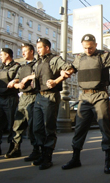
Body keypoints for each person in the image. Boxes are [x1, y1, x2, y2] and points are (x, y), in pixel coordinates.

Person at [61, 34, 110, 174]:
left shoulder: (104, 56)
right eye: (85, 48)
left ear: (95, 45)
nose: (88, 50)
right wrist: (64, 73)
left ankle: (108, 161)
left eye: (90, 47)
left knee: (105, 128)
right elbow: (71, 69)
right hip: (84, 96)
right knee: (79, 128)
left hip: (100, 95)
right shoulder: (79, 57)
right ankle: (75, 158)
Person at [32, 38, 73, 170]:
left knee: (49, 127)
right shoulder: (38, 61)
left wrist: (58, 79)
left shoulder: (54, 59)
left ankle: (47, 157)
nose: (37, 50)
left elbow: (68, 68)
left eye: (39, 47)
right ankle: (40, 152)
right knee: (37, 127)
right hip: (39, 96)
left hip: (50, 97)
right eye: (37, 47)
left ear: (47, 48)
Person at [5, 43, 39, 159]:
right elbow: (17, 78)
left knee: (32, 125)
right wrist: (15, 83)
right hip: (23, 97)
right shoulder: (22, 67)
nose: (23, 53)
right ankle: (15, 148)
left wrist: (27, 78)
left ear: (31, 52)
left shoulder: (37, 64)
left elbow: (39, 75)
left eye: (25, 51)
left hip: (33, 97)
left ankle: (36, 150)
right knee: (17, 124)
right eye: (22, 51)